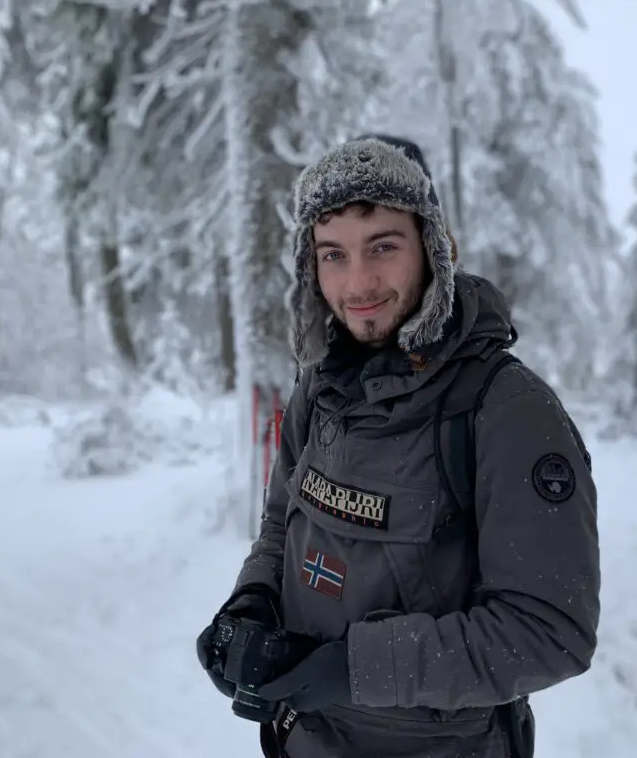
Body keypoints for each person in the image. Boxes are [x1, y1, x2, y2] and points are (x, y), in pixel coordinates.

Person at [196, 135, 600, 758]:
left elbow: (550, 632)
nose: (357, 282)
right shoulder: (319, 390)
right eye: (333, 253)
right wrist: (253, 602)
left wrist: (353, 668)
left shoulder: (507, 411)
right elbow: (283, 525)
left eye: (382, 246)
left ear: (434, 249)